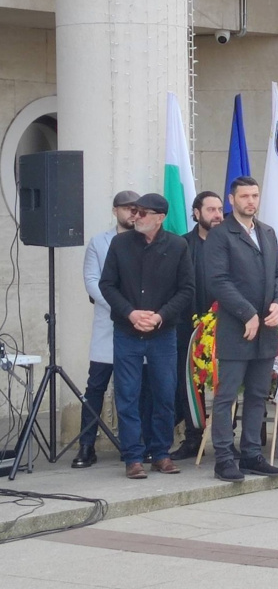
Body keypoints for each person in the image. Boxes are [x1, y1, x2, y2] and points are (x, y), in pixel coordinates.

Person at [99, 193, 194, 479]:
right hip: (127, 332)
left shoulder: (178, 246)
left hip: (162, 333)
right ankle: (133, 457)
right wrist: (130, 313)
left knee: (165, 393)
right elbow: (107, 285)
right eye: (134, 211)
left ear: (160, 217)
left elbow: (187, 289)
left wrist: (160, 315)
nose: (136, 217)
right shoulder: (120, 243)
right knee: (128, 394)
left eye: (142, 213)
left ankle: (161, 453)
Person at [204, 177, 278, 482]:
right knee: (227, 396)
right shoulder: (221, 235)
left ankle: (252, 453)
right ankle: (225, 458)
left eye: (254, 195)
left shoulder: (266, 231)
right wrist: (247, 313)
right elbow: (218, 281)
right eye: (244, 196)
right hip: (236, 329)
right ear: (231, 199)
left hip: (266, 328)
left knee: (256, 394)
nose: (250, 201)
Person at [74, 190, 140, 469]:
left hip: (139, 326)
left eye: (136, 209)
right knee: (96, 387)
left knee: (135, 389)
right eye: (127, 209)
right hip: (108, 323)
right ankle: (86, 445)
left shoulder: (144, 240)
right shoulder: (99, 243)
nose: (133, 214)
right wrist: (122, 307)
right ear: (115, 211)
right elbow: (92, 281)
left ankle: (133, 446)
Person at [170, 191, 224, 461]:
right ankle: (193, 439)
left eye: (219, 209)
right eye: (211, 210)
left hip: (225, 325)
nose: (217, 215)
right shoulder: (181, 245)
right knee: (189, 384)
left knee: (227, 383)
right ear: (196, 213)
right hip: (187, 326)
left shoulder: (231, 243)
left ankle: (227, 439)